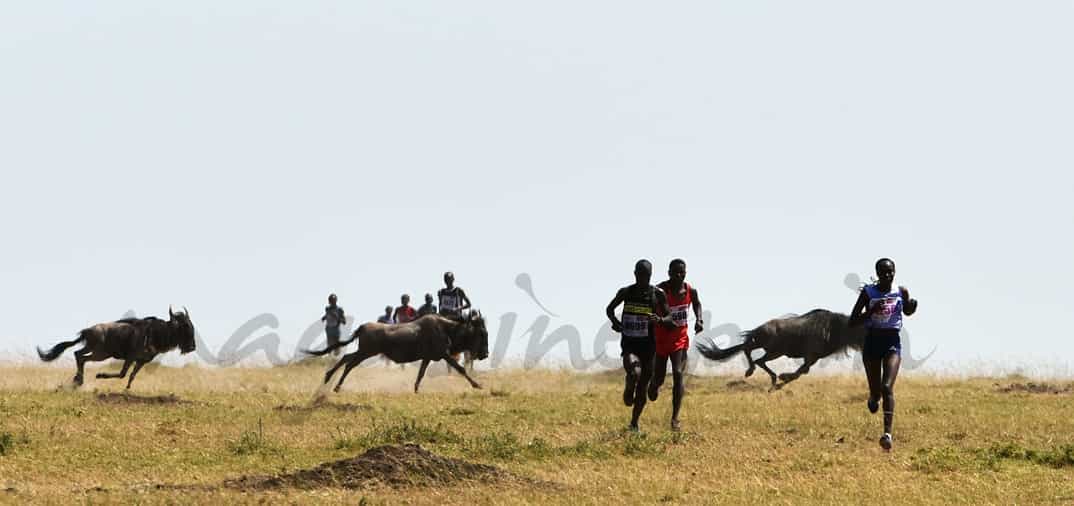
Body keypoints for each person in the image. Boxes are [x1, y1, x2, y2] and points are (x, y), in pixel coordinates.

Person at [848, 258, 919, 451]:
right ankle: (873, 397)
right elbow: (852, 321)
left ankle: (887, 434)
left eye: (891, 272)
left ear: (895, 272)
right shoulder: (868, 293)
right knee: (876, 391)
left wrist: (911, 307)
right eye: (884, 272)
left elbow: (907, 311)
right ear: (877, 274)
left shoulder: (900, 291)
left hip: (892, 342)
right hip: (872, 342)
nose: (888, 275)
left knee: (887, 386)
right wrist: (871, 311)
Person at [606, 259, 672, 432]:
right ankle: (629, 386)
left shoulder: (657, 294)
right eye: (641, 275)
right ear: (635, 274)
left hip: (649, 347)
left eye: (647, 276)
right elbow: (609, 309)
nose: (643, 279)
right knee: (635, 373)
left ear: (650, 276)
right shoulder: (626, 292)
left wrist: (659, 320)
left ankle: (634, 423)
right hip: (630, 344)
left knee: (643, 386)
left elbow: (670, 317)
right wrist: (616, 323)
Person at [648, 259, 703, 431]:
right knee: (659, 378)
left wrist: (699, 319)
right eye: (675, 272)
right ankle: (654, 385)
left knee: (678, 373)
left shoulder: (690, 290)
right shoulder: (659, 291)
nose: (679, 275)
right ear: (669, 273)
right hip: (661, 339)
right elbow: (648, 309)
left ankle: (675, 419)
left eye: (682, 272)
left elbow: (697, 304)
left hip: (680, 339)